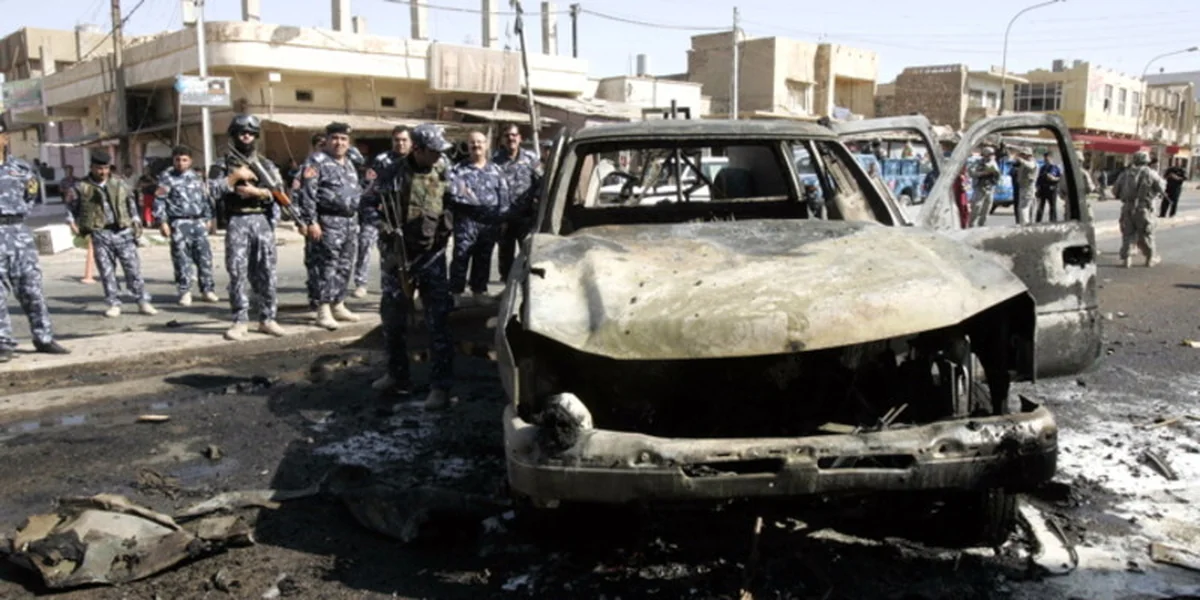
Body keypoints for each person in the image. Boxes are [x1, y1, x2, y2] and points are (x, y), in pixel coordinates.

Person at [372, 123, 456, 410]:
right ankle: (396, 375)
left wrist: (448, 223)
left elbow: (458, 201)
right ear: (417, 149)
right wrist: (384, 228)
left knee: (438, 322)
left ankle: (440, 387)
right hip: (399, 257)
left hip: (432, 257)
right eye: (434, 151)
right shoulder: (392, 173)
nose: (439, 155)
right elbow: (367, 204)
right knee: (393, 319)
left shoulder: (444, 170)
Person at [208, 114, 287, 340]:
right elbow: (212, 191)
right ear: (234, 135)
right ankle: (239, 320)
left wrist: (258, 192)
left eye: (251, 133)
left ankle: (267, 318)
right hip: (237, 220)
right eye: (242, 132)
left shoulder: (265, 164)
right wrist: (234, 177)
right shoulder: (221, 164)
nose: (246, 136)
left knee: (267, 272)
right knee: (237, 272)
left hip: (261, 220)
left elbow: (279, 193)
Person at [0, 120, 70, 362]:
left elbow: (30, 196)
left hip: (19, 233)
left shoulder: (21, 169)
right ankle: (3, 343)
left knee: (32, 288)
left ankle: (44, 337)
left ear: (5, 138)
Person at [66, 151, 157, 318]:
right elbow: (71, 207)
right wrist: (72, 223)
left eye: (106, 168)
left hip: (123, 232)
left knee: (133, 269)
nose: (103, 172)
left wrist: (136, 220)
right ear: (92, 167)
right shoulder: (81, 187)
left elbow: (130, 203)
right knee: (107, 272)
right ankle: (113, 303)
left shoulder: (119, 183)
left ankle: (142, 300)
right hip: (100, 233)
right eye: (99, 168)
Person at [295, 122, 362, 330]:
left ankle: (338, 304)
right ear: (327, 140)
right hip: (327, 222)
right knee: (327, 266)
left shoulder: (349, 163)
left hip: (349, 222)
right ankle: (323, 310)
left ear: (348, 142)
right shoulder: (317, 161)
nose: (339, 143)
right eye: (335, 138)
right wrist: (311, 221)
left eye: (343, 139)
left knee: (345, 265)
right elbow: (307, 194)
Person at [448, 129, 509, 306]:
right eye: (472, 142)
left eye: (480, 142)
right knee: (461, 256)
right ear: (467, 146)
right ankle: (455, 293)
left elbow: (504, 194)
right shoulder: (458, 169)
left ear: (486, 145)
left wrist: (503, 218)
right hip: (466, 221)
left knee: (483, 257)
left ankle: (479, 291)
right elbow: (452, 195)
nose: (476, 145)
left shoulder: (495, 169)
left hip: (489, 222)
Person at [154, 146, 218, 306]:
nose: (181, 163)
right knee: (181, 258)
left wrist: (208, 218)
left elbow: (205, 198)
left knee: (204, 257)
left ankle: (207, 289)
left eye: (184, 160)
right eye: (177, 159)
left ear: (190, 161)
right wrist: (162, 222)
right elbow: (159, 201)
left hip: (198, 221)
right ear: (173, 160)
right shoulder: (167, 178)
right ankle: (185, 291)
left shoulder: (196, 177)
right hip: (179, 222)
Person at [355, 125, 412, 299]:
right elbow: (368, 188)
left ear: (411, 142)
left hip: (408, 217)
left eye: (404, 140)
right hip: (382, 213)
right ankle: (362, 283)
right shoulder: (382, 160)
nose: (400, 144)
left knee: (409, 258)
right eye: (397, 140)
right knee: (369, 246)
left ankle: (408, 292)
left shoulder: (416, 160)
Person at [492, 123, 542, 283]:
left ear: (520, 138)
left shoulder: (531, 159)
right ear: (502, 140)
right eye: (507, 136)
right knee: (505, 257)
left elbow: (541, 183)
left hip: (526, 217)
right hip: (504, 219)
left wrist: (537, 204)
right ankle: (506, 287)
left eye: (514, 135)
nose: (511, 138)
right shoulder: (495, 160)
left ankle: (528, 287)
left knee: (528, 255)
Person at [1114, 151, 1164, 268]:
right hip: (1144, 208)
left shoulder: (1125, 174)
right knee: (1146, 234)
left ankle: (1126, 259)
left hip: (1127, 207)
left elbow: (1115, 191)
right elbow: (1161, 189)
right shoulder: (1152, 174)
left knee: (1127, 234)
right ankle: (1150, 258)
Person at [969, 146, 1001, 227]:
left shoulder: (993, 162)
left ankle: (982, 225)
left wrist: (995, 173)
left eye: (992, 154)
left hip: (990, 188)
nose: (992, 155)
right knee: (976, 207)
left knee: (987, 208)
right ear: (985, 154)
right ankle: (972, 225)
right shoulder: (977, 162)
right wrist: (983, 173)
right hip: (980, 187)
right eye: (990, 154)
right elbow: (971, 173)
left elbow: (998, 175)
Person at [1010, 147, 1038, 225]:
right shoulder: (1023, 163)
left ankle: (1025, 225)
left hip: (1028, 188)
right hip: (1023, 187)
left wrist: (1021, 160)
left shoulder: (1031, 162)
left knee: (1024, 207)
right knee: (1022, 207)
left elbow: (1031, 166)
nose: (1021, 156)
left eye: (1023, 154)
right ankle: (1025, 223)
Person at [1035, 151, 1062, 222]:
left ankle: (1053, 221)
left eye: (1047, 159)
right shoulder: (1042, 168)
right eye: (1045, 159)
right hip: (1043, 189)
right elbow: (1039, 179)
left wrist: (1054, 178)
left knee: (1052, 207)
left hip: (1052, 189)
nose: (1046, 161)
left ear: (1051, 158)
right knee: (1040, 206)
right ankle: (1038, 221)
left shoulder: (1056, 167)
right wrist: (1037, 188)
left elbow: (1060, 178)